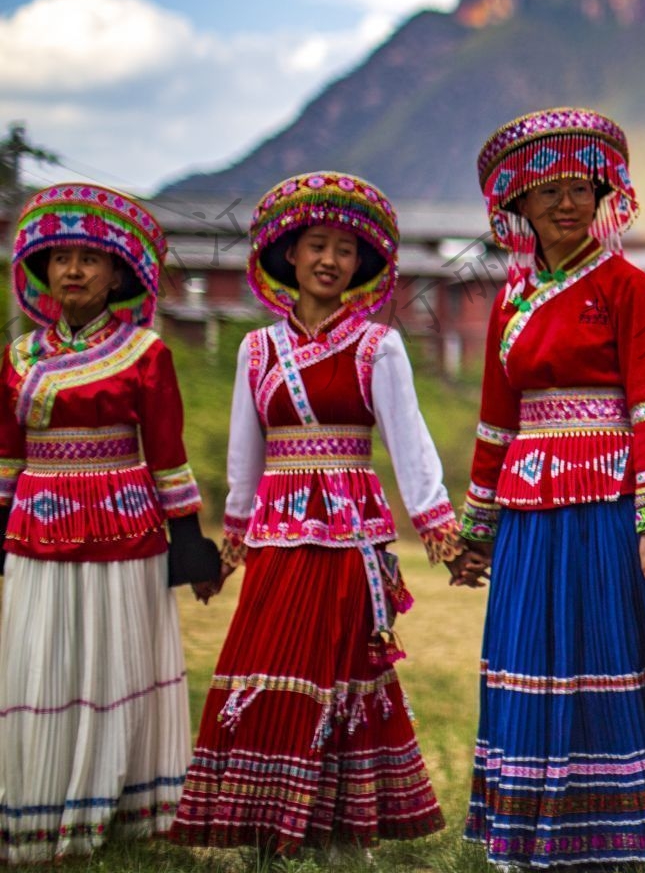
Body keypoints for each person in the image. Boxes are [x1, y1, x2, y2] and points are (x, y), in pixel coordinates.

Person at [172, 172, 460, 851]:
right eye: (316, 245)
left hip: (350, 537)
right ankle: (266, 825)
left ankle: (336, 828)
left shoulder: (376, 347)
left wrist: (439, 529)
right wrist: (229, 549)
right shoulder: (255, 350)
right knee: (267, 664)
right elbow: (244, 460)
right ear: (290, 257)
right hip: (277, 536)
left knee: (338, 671)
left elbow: (410, 442)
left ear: (361, 265)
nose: (330, 260)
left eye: (345, 249)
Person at [457, 107, 645, 869]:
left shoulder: (627, 286)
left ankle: (614, 835)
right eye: (546, 190)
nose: (565, 203)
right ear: (516, 204)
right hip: (527, 508)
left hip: (606, 503)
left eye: (580, 187)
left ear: (602, 194)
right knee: (533, 654)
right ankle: (530, 826)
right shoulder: (509, 304)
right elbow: (495, 421)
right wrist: (475, 527)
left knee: (603, 654)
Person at [0, 183, 220, 863]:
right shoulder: (17, 359)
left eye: (89, 259)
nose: (72, 271)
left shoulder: (146, 353)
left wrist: (187, 537)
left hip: (124, 526)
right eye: (60, 258)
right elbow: (7, 454)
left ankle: (120, 810)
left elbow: (167, 449)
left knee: (115, 663)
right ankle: (36, 810)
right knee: (43, 659)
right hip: (38, 527)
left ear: (118, 272)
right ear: (41, 270)